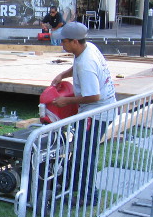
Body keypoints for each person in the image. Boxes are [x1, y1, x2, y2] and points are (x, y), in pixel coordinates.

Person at [50, 21, 116, 205]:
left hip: (95, 115)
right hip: (98, 111)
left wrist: (66, 101)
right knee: (80, 151)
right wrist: (63, 74)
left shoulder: (86, 64)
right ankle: (74, 185)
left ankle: (88, 196)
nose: (62, 44)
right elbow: (76, 65)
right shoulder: (87, 48)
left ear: (75, 42)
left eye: (64, 41)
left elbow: (94, 96)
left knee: (84, 155)